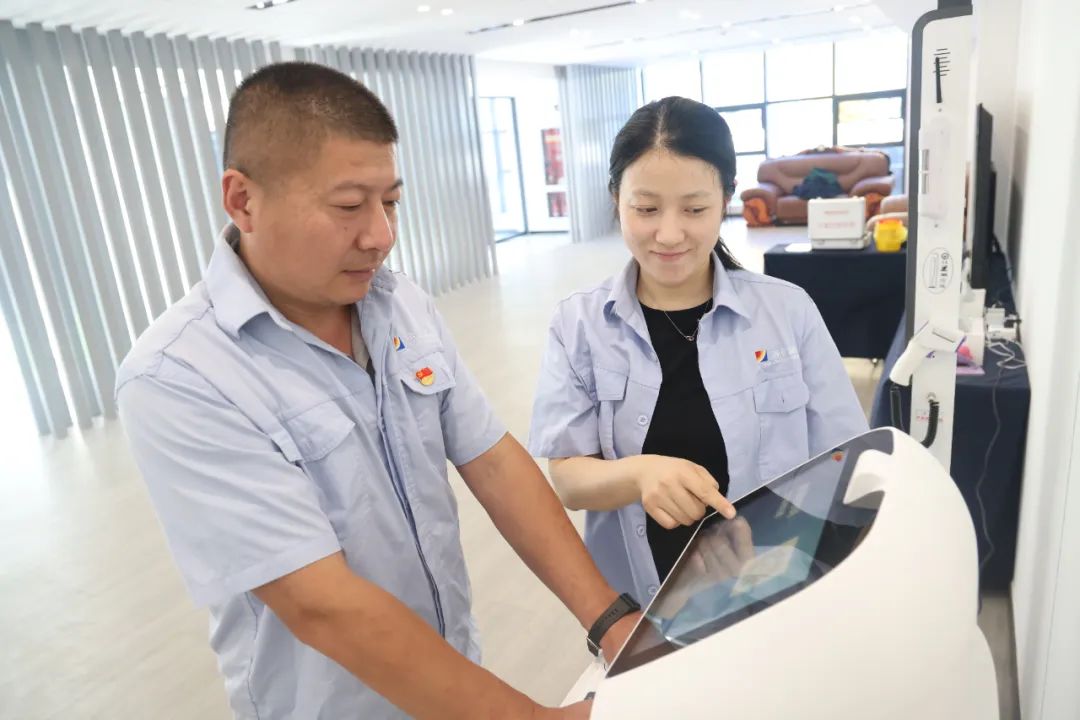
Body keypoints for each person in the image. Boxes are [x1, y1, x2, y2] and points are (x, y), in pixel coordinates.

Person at [116, 62, 638, 720]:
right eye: (348, 206)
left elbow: (493, 462)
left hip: (455, 681)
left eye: (390, 202)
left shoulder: (400, 303)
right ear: (242, 200)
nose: (381, 235)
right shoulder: (180, 375)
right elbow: (321, 604)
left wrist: (613, 622)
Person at [528, 96, 869, 607]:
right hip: (642, 607)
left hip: (777, 590)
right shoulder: (579, 325)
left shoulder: (787, 311)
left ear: (727, 198)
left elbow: (843, 459)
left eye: (694, 209)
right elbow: (570, 481)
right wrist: (639, 473)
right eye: (646, 209)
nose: (669, 235)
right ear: (616, 199)